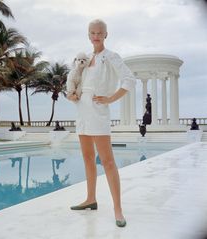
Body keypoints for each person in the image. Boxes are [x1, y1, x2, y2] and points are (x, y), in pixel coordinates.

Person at [67, 19, 136, 227]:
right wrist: (71, 95)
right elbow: (75, 80)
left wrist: (110, 99)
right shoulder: (84, 59)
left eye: (99, 32)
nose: (96, 35)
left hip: (98, 111)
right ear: (88, 35)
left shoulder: (111, 57)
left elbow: (129, 80)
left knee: (107, 161)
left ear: (106, 34)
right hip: (82, 110)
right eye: (92, 32)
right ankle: (91, 199)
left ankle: (118, 209)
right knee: (88, 157)